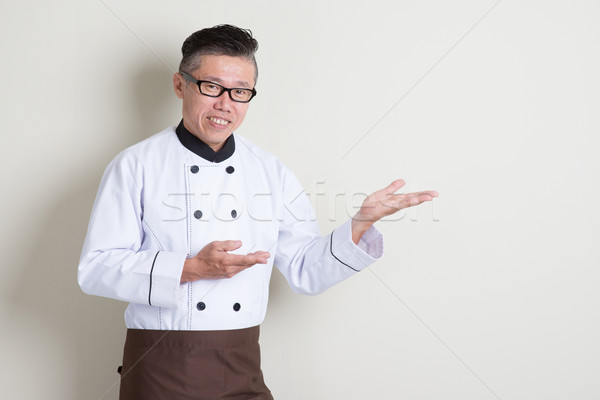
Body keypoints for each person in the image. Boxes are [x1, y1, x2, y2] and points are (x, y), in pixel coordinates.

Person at [78, 24, 438, 400]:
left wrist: (361, 222)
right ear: (180, 85)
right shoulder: (135, 165)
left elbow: (304, 270)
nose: (225, 104)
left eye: (240, 92)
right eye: (211, 87)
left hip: (242, 363)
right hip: (161, 362)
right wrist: (192, 268)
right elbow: (96, 268)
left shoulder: (270, 171)